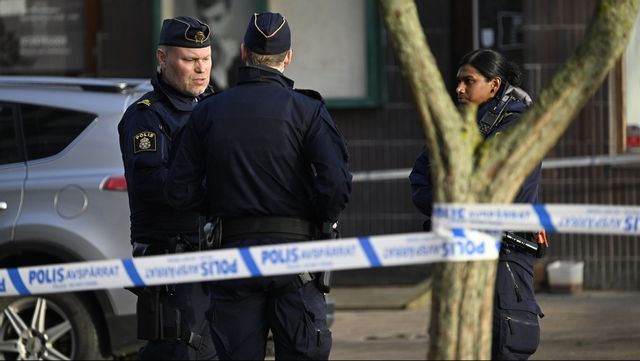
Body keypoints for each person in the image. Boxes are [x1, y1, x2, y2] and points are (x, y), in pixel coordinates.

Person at [164, 12, 352, 360]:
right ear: (288, 56)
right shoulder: (307, 110)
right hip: (298, 260)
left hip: (233, 259)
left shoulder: (207, 112)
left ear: (244, 52)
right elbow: (336, 182)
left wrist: (217, 207)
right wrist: (317, 217)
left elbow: (178, 189)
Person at [409, 48, 547, 360]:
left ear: (494, 85)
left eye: (468, 81)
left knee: (504, 345)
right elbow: (419, 180)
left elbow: (501, 192)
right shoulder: (453, 129)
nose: (458, 89)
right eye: (458, 81)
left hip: (504, 259)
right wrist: (454, 206)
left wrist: (451, 202)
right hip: (459, 257)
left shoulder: (520, 126)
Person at [117, 16, 217, 360]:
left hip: (215, 259)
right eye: (190, 60)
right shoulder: (146, 117)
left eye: (205, 58)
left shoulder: (214, 107)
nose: (201, 68)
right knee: (180, 349)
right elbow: (153, 186)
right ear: (163, 58)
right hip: (173, 262)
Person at [195, 0, 242, 90]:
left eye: (217, 19)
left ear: (229, 15)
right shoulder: (191, 60)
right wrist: (220, 71)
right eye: (204, 20)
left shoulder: (247, 59)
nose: (211, 29)